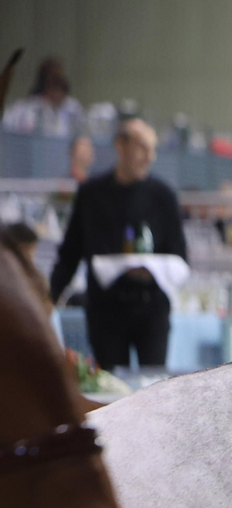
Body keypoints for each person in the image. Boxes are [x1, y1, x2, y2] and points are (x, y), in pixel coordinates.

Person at [49, 116, 186, 373]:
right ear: (120, 147)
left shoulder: (163, 197)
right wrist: (50, 296)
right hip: (106, 312)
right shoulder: (92, 194)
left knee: (153, 386)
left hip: (152, 309)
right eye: (142, 148)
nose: (149, 157)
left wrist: (150, 271)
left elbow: (180, 255)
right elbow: (70, 253)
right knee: (111, 389)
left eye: (152, 149)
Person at [1, 56, 86, 138]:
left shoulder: (73, 109)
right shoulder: (25, 110)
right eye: (54, 83)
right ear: (44, 84)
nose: (57, 90)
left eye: (61, 83)